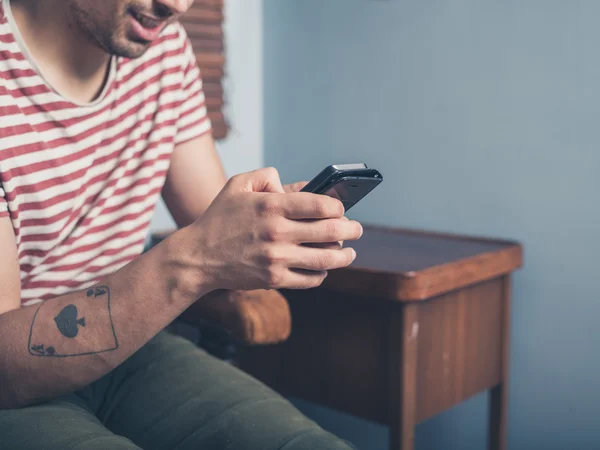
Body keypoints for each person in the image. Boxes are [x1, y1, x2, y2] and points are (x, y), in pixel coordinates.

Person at [0, 1, 363, 448]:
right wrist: (191, 263)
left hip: (136, 350)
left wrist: (259, 228)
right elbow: (5, 368)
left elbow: (212, 220)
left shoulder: (162, 49)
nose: (175, 5)